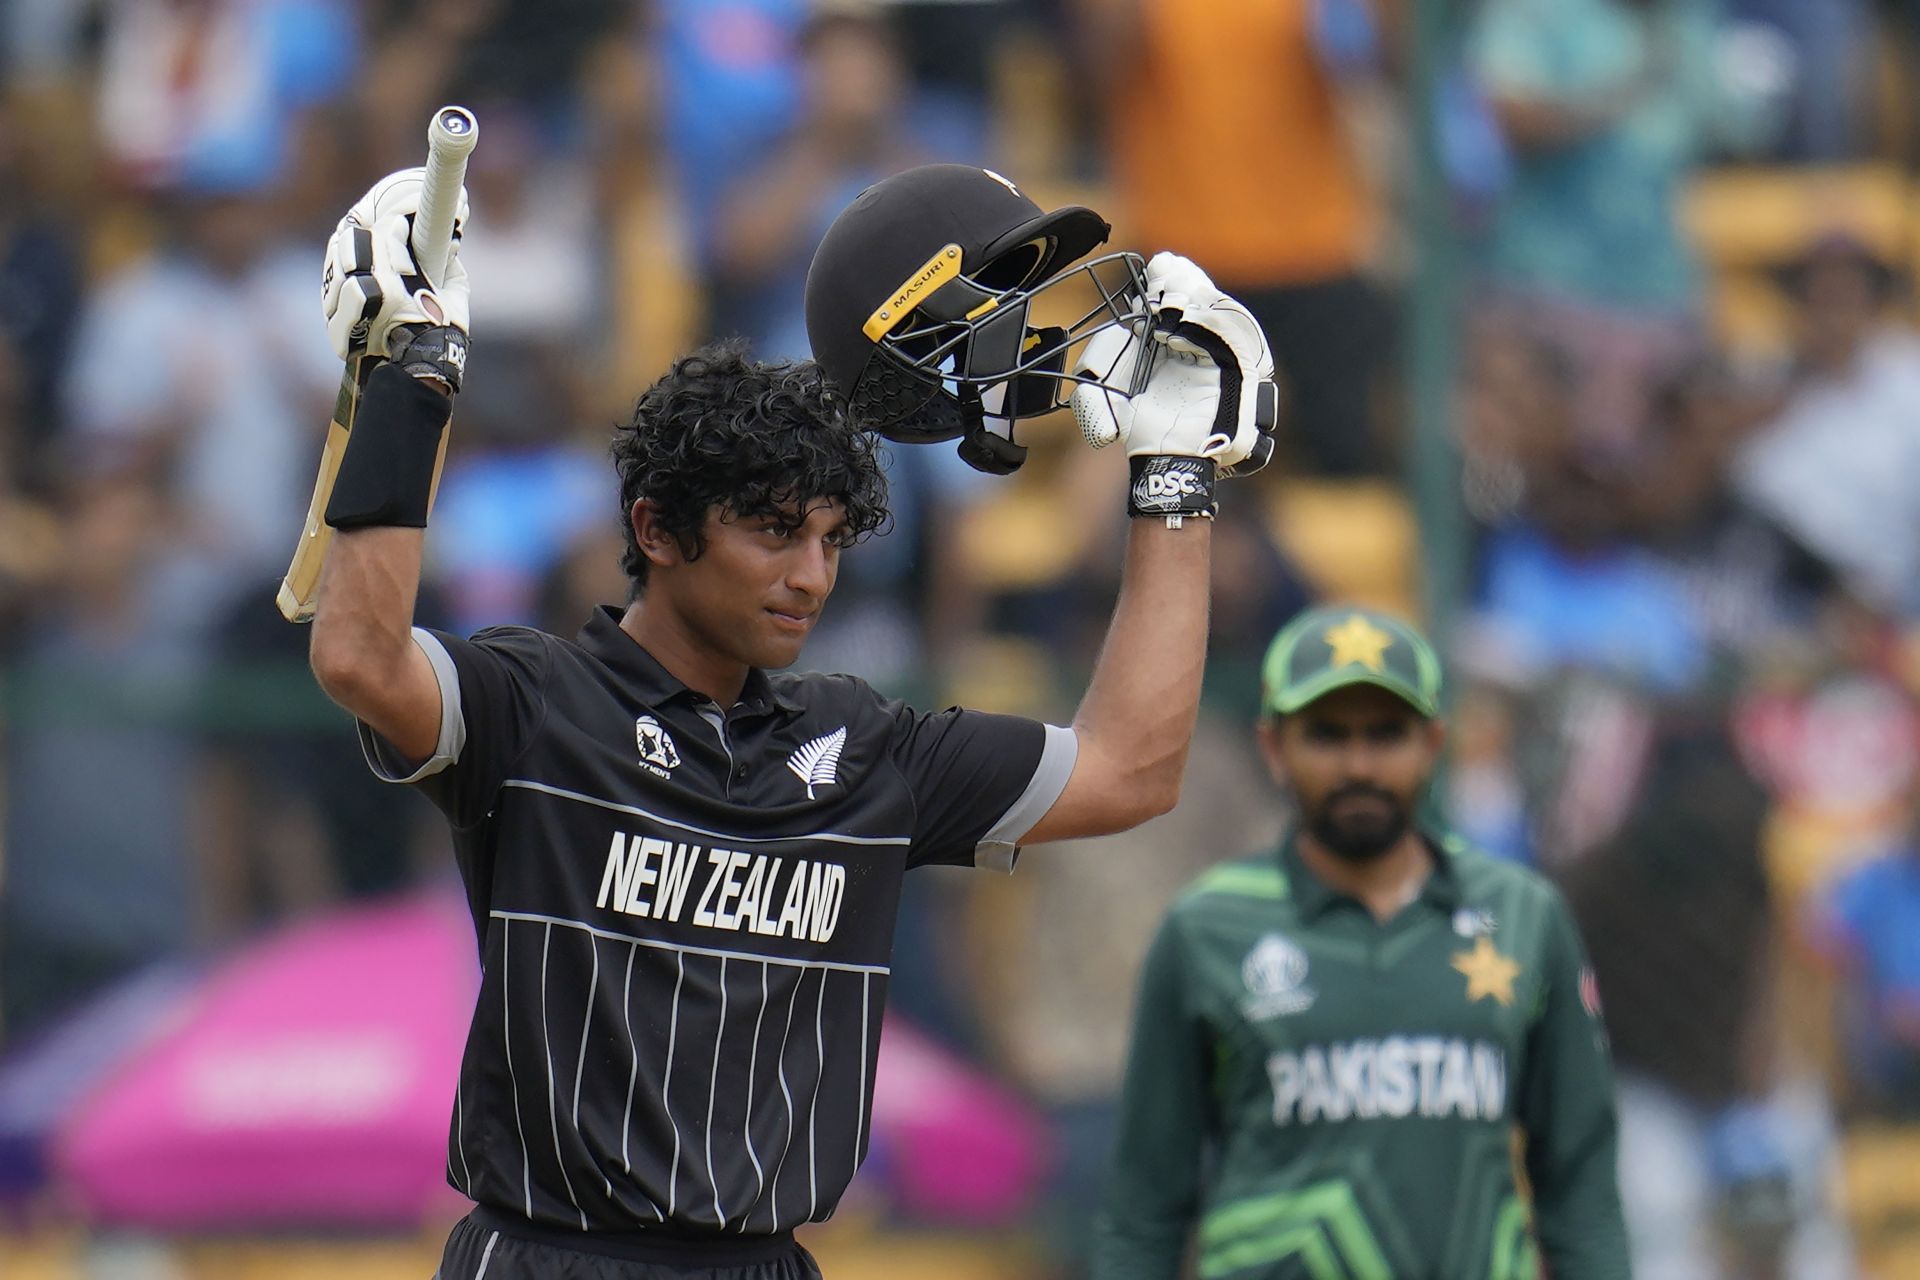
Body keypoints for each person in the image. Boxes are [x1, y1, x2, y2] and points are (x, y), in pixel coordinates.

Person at [305, 161, 1276, 1278]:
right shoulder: (537, 704)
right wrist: (411, 375)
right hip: (549, 1253)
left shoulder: (865, 747)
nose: (810, 575)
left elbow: (1130, 770)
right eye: (773, 533)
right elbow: (359, 653)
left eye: (829, 539)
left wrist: (1174, 482)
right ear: (658, 529)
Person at [1094, 605, 1630, 1279]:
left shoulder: (1523, 914)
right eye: (1326, 735)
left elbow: (1580, 1188)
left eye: (1386, 735)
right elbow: (1145, 1209)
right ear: (1273, 748)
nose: (1358, 765)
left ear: (1433, 744)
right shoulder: (1208, 928)